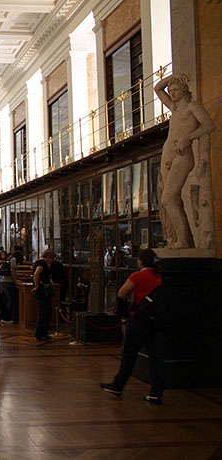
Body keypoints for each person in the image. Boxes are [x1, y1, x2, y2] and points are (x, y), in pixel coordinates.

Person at [155, 74, 215, 249]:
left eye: (175, 90)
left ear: (183, 90)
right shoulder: (174, 108)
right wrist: (172, 77)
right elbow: (158, 89)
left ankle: (185, 241)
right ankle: (179, 239)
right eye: (171, 90)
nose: (172, 93)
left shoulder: (192, 107)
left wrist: (188, 138)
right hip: (168, 157)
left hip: (182, 156)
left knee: (168, 198)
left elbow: (209, 125)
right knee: (173, 201)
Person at [100, 248, 165, 404]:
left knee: (129, 355)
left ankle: (118, 385)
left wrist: (124, 314)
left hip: (139, 320)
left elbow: (122, 293)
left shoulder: (138, 276)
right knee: (156, 358)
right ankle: (156, 392)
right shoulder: (159, 277)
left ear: (141, 261)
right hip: (156, 321)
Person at [32, 248, 56, 342]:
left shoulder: (42, 263)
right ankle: (40, 334)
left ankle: (42, 333)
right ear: (49, 257)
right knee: (44, 312)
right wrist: (37, 286)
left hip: (43, 291)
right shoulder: (41, 263)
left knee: (45, 311)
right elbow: (36, 274)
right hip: (41, 291)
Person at [0, 250, 17, 323]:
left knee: (5, 300)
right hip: (9, 281)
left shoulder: (8, 259)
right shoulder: (13, 260)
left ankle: (2, 316)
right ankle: (7, 317)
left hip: (3, 281)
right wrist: (15, 281)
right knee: (10, 300)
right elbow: (13, 271)